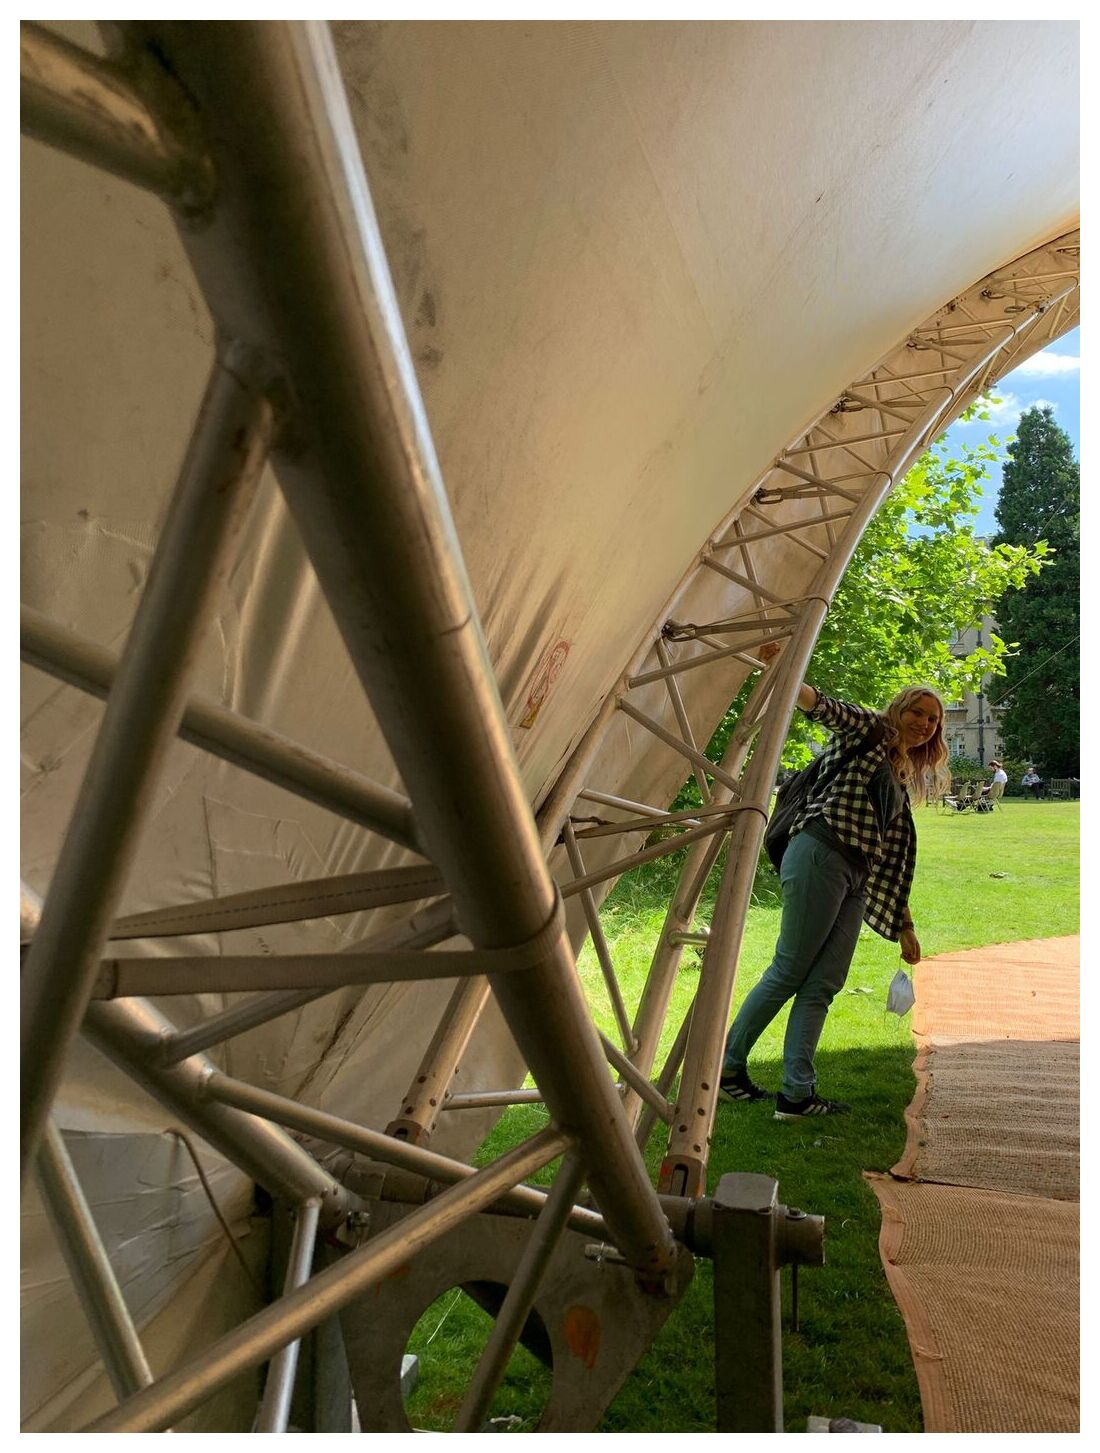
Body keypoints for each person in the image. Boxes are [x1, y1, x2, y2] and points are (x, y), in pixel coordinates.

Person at [719, 644, 949, 1119]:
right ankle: (725, 1069)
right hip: (822, 852)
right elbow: (824, 707)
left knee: (824, 981)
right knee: (790, 969)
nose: (924, 724)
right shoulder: (873, 732)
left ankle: (796, 1094)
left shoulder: (899, 775)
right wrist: (783, 666)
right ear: (898, 710)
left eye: (933, 720)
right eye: (917, 712)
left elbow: (890, 859)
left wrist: (904, 926)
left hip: (855, 875)